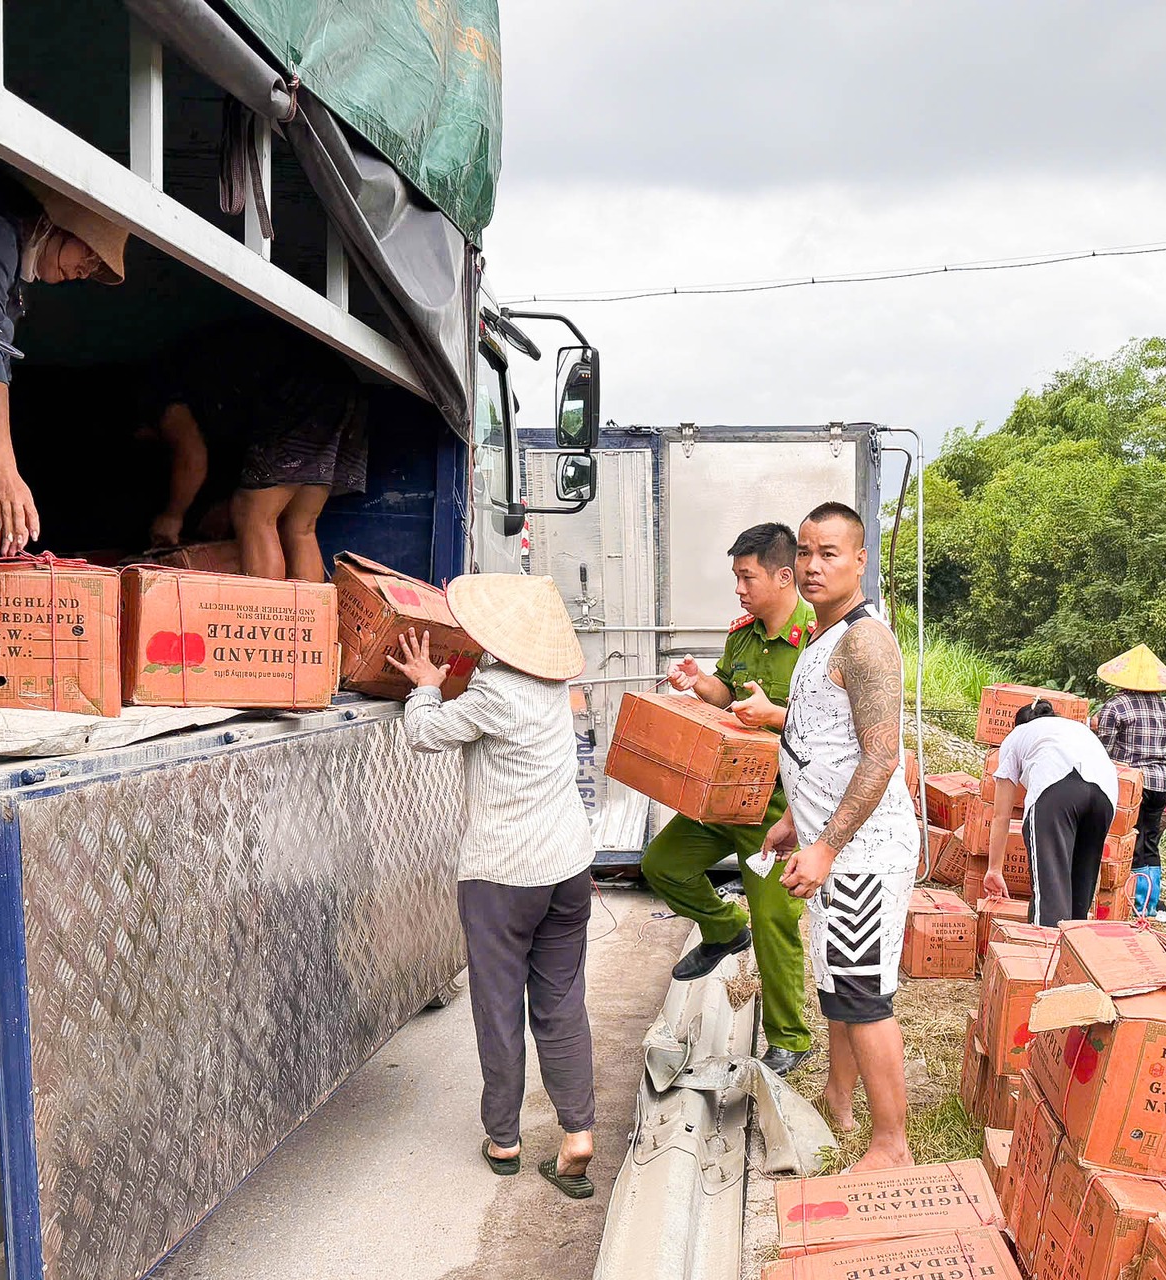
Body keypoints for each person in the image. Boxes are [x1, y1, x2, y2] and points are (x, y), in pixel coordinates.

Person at [388, 573, 602, 1201]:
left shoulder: (494, 693)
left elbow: (424, 734)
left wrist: (426, 688)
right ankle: (577, 1133)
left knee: (499, 1005)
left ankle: (505, 1139)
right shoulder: (554, 685)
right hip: (567, 868)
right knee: (561, 1003)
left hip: (503, 875)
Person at [763, 502, 920, 1172]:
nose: (812, 565)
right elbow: (824, 742)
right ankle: (838, 1098)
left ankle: (891, 1143)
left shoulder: (865, 641)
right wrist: (797, 820)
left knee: (862, 995)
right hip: (836, 843)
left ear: (860, 560)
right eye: (804, 551)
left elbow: (882, 757)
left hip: (863, 853)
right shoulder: (823, 637)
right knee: (839, 982)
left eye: (829, 553)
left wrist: (826, 846)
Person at [642, 523, 816, 1074]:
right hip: (727, 793)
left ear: (783, 576)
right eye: (736, 577)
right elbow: (726, 694)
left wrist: (775, 716)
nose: (739, 589)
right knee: (662, 864)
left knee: (774, 919)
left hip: (776, 808)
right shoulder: (742, 636)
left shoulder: (817, 639)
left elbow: (832, 727)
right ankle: (723, 929)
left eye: (747, 577)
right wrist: (699, 682)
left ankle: (790, 1037)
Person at [0, 170, 130, 556]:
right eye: (89, 254)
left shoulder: (11, 263)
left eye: (93, 267)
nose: (86, 270)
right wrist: (1, 471)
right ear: (60, 223)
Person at [141, 321, 369, 582]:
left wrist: (172, 516)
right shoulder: (211, 383)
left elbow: (191, 458)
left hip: (299, 389)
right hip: (342, 388)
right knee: (299, 526)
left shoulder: (159, 392)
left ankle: (266, 610)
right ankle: (306, 610)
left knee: (253, 515)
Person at [982, 698, 1121, 927]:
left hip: (1057, 787)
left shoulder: (1017, 735)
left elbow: (1001, 815)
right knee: (1079, 897)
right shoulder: (1077, 729)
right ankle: (1073, 945)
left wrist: (994, 869)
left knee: (1050, 896)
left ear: (1019, 724)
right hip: (1105, 796)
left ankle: (1044, 945)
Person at [1092, 644, 1166, 919]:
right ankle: (1149, 904)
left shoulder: (1116, 706)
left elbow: (1103, 749)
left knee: (1131, 840)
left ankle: (1134, 901)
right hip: (1159, 783)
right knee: (1150, 842)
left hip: (1130, 784)